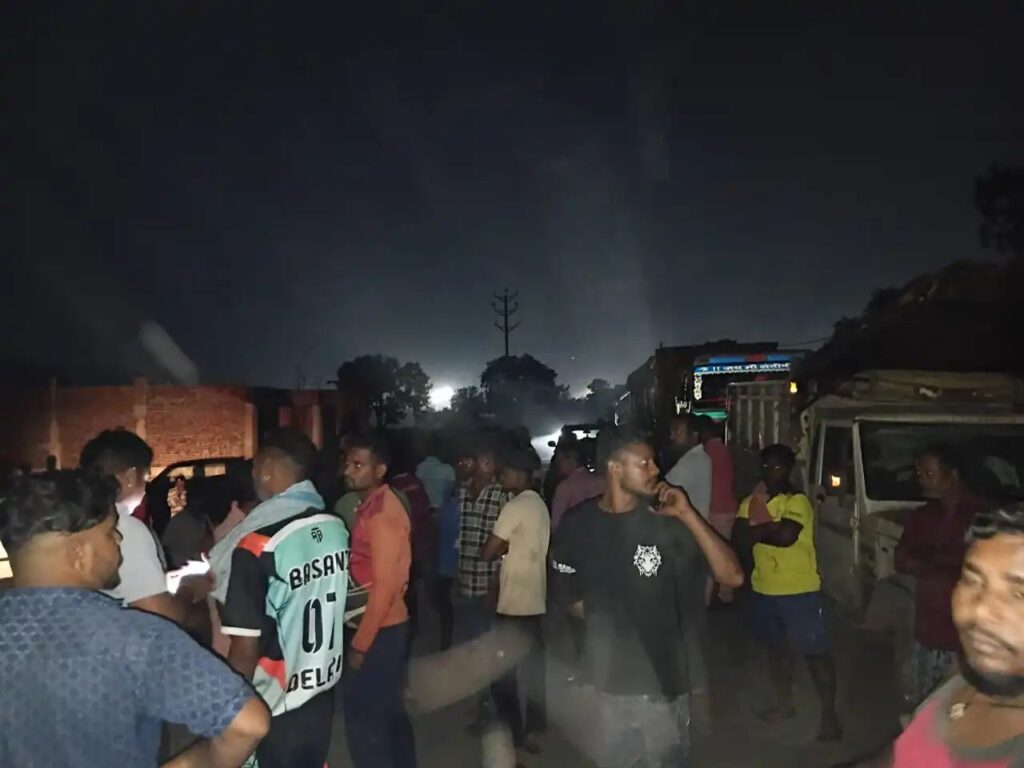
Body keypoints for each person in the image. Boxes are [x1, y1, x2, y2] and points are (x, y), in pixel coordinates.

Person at [0, 471, 270, 767]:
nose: (118, 539)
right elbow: (247, 724)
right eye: (110, 532)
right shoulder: (135, 638)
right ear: (80, 554)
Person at [551, 428, 744, 767]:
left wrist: (687, 514)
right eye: (645, 463)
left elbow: (733, 576)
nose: (656, 470)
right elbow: (569, 596)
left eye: (654, 462)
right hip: (607, 687)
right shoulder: (577, 524)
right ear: (615, 467)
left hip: (663, 687)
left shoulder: (666, 521)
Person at [841, 504, 1024, 768]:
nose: (980, 610)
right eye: (973, 580)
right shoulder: (965, 675)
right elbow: (902, 752)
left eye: (1019, 593)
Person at [214, 427, 349, 768]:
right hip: (320, 695)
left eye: (255, 467)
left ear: (267, 467)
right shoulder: (335, 528)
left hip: (272, 701)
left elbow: (245, 648)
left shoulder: (256, 545)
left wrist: (227, 711)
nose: (253, 476)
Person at [733, 443, 842, 741]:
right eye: (766, 466)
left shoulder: (798, 501)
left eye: (777, 467)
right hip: (764, 589)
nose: (771, 472)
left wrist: (757, 530)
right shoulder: (751, 501)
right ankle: (785, 704)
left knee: (816, 655)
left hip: (800, 591)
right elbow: (739, 538)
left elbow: (786, 537)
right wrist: (769, 528)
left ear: (789, 469)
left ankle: (829, 715)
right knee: (777, 652)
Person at [342, 432, 416, 768]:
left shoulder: (382, 516)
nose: (348, 471)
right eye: (348, 463)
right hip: (387, 626)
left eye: (358, 465)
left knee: (366, 725)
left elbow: (384, 589)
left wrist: (360, 645)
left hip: (381, 629)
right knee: (389, 716)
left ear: (380, 469)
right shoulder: (374, 505)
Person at [895, 444, 985, 711]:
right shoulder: (922, 516)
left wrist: (927, 559)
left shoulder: (981, 515)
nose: (922, 479)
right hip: (929, 631)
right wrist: (949, 559)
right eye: (920, 473)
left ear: (953, 474)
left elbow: (977, 566)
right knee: (924, 708)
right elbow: (901, 561)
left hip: (967, 637)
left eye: (929, 473)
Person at [79, 428, 201, 623]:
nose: (146, 488)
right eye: (146, 478)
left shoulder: (77, 522)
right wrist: (189, 587)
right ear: (130, 477)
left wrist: (163, 579)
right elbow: (162, 616)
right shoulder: (126, 529)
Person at [482, 446, 551, 758]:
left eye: (506, 471)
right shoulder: (539, 505)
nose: (501, 476)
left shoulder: (514, 507)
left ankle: (515, 733)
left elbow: (487, 552)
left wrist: (500, 547)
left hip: (512, 604)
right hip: (535, 600)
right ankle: (535, 729)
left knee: (503, 676)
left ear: (520, 474)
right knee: (534, 672)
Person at [456, 438, 507, 642]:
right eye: (482, 460)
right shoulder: (460, 491)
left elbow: (507, 543)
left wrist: (496, 583)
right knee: (466, 639)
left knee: (486, 638)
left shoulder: (501, 494)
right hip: (463, 578)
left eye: (490, 461)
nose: (487, 466)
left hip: (488, 581)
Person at [665, 413, 713, 519]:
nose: (672, 437)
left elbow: (664, 492)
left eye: (677, 432)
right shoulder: (703, 457)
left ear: (694, 435)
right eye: (671, 432)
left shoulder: (690, 462)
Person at [550, 440, 605, 531]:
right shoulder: (600, 481)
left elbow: (557, 523)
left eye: (560, 461)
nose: (558, 466)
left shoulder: (565, 487)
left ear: (571, 461)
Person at [415, 432, 456, 510]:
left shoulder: (420, 468)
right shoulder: (448, 470)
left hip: (425, 511)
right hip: (443, 511)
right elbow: (452, 493)